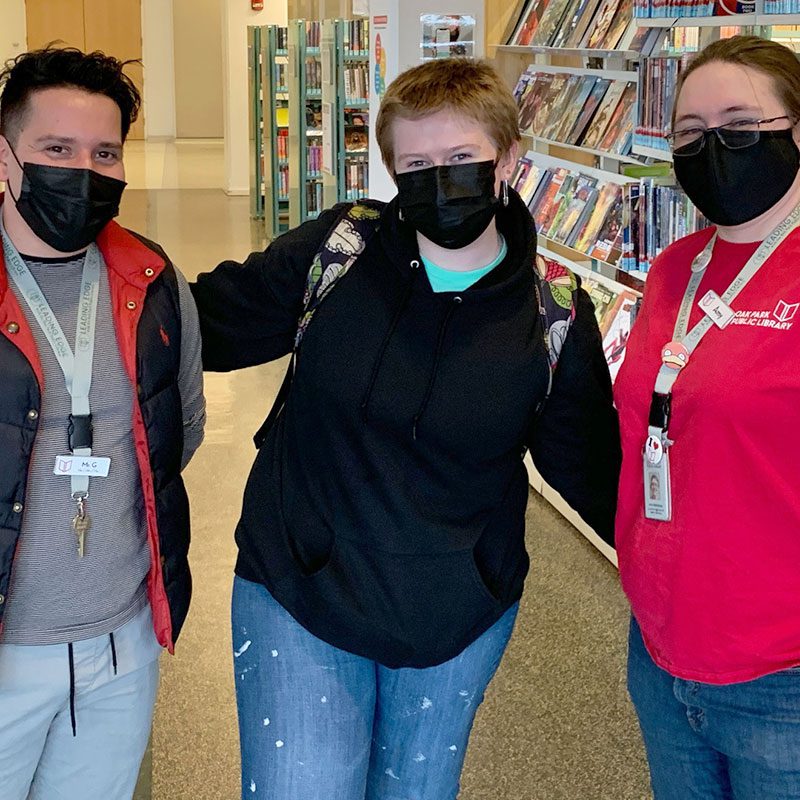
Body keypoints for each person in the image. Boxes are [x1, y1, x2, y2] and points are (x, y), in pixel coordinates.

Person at [191, 57, 619, 800]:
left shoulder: (553, 314)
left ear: (508, 160)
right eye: (416, 163)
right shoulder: (342, 250)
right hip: (301, 586)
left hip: (456, 610)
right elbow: (205, 323)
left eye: (461, 158)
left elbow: (587, 466)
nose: (438, 178)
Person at [0, 47, 205, 799]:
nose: (83, 171)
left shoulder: (150, 279)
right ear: (5, 155)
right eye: (56, 149)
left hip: (120, 648)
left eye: (105, 152)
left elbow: (178, 428)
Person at [614, 35, 800, 799]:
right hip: (661, 651)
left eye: (739, 124)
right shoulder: (672, 268)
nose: (712, 147)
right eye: (690, 132)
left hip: (780, 676)